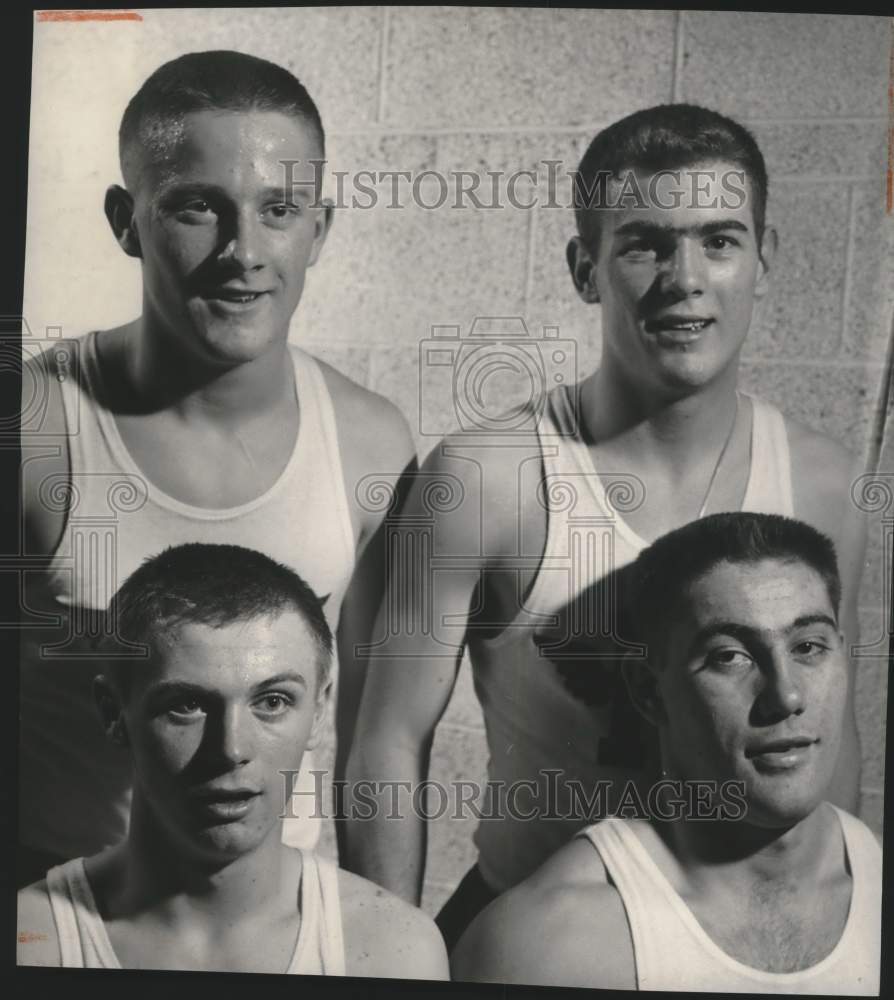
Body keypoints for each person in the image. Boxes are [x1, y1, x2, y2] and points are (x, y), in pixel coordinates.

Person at [345, 103, 866, 950]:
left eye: (720, 240)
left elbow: (832, 741)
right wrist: (384, 956)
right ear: (586, 267)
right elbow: (388, 743)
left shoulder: (824, 481)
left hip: (737, 939)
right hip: (532, 932)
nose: (685, 277)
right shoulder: (486, 476)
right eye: (646, 243)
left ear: (764, 261)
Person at [18, 50, 415, 885]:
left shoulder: (370, 444)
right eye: (199, 207)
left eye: (279, 209)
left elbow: (379, 745)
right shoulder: (33, 428)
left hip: (274, 921)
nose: (244, 251)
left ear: (321, 228)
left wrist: (387, 940)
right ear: (126, 221)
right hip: (52, 906)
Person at [452, 513, 881, 993]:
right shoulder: (549, 942)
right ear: (648, 691)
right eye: (729, 656)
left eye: (808, 646)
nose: (786, 696)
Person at [16, 543, 447, 977]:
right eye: (186, 704)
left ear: (318, 712)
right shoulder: (29, 941)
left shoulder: (397, 951)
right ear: (113, 714)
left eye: (273, 701)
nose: (231, 749)